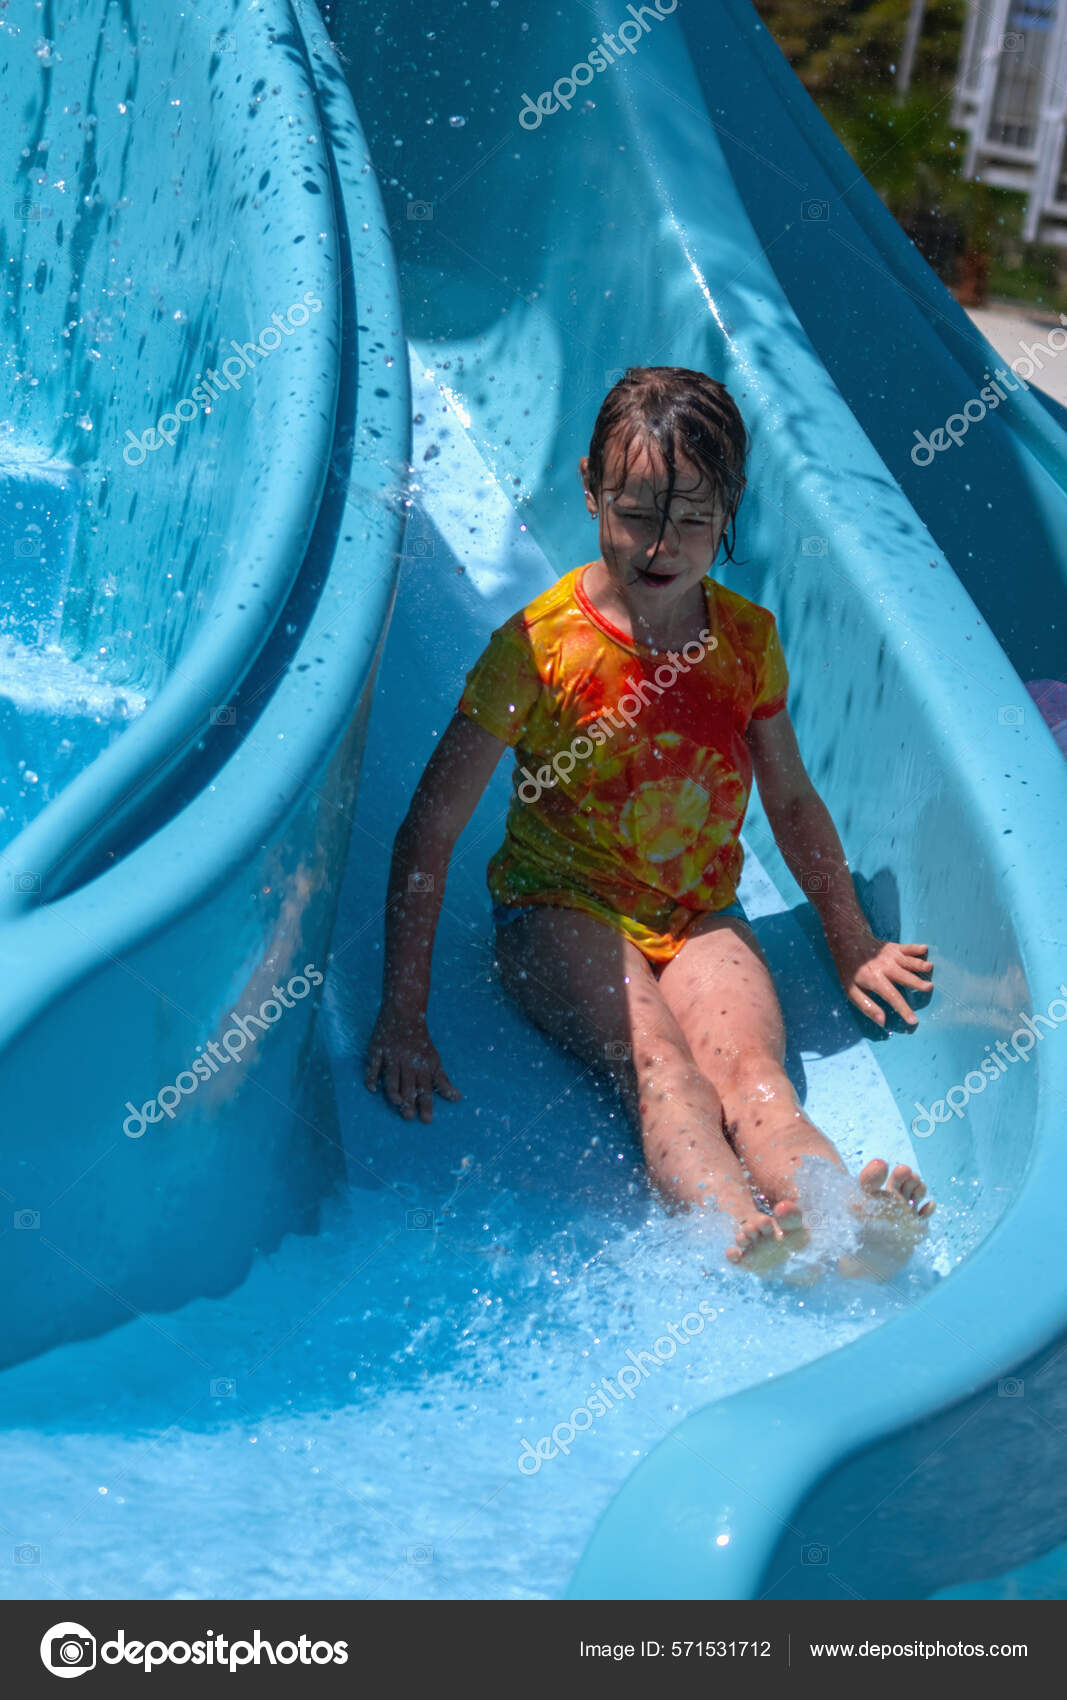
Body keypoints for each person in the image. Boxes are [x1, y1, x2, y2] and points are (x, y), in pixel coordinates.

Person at [365, 367, 935, 1276]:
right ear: (590, 485)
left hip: (697, 914)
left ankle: (844, 1222)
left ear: (729, 510)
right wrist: (402, 1011)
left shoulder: (744, 640)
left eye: (695, 519)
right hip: (558, 911)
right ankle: (730, 1234)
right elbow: (430, 829)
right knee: (664, 1070)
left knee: (753, 1081)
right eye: (635, 512)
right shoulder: (538, 650)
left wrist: (850, 939)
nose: (662, 544)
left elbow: (789, 799)